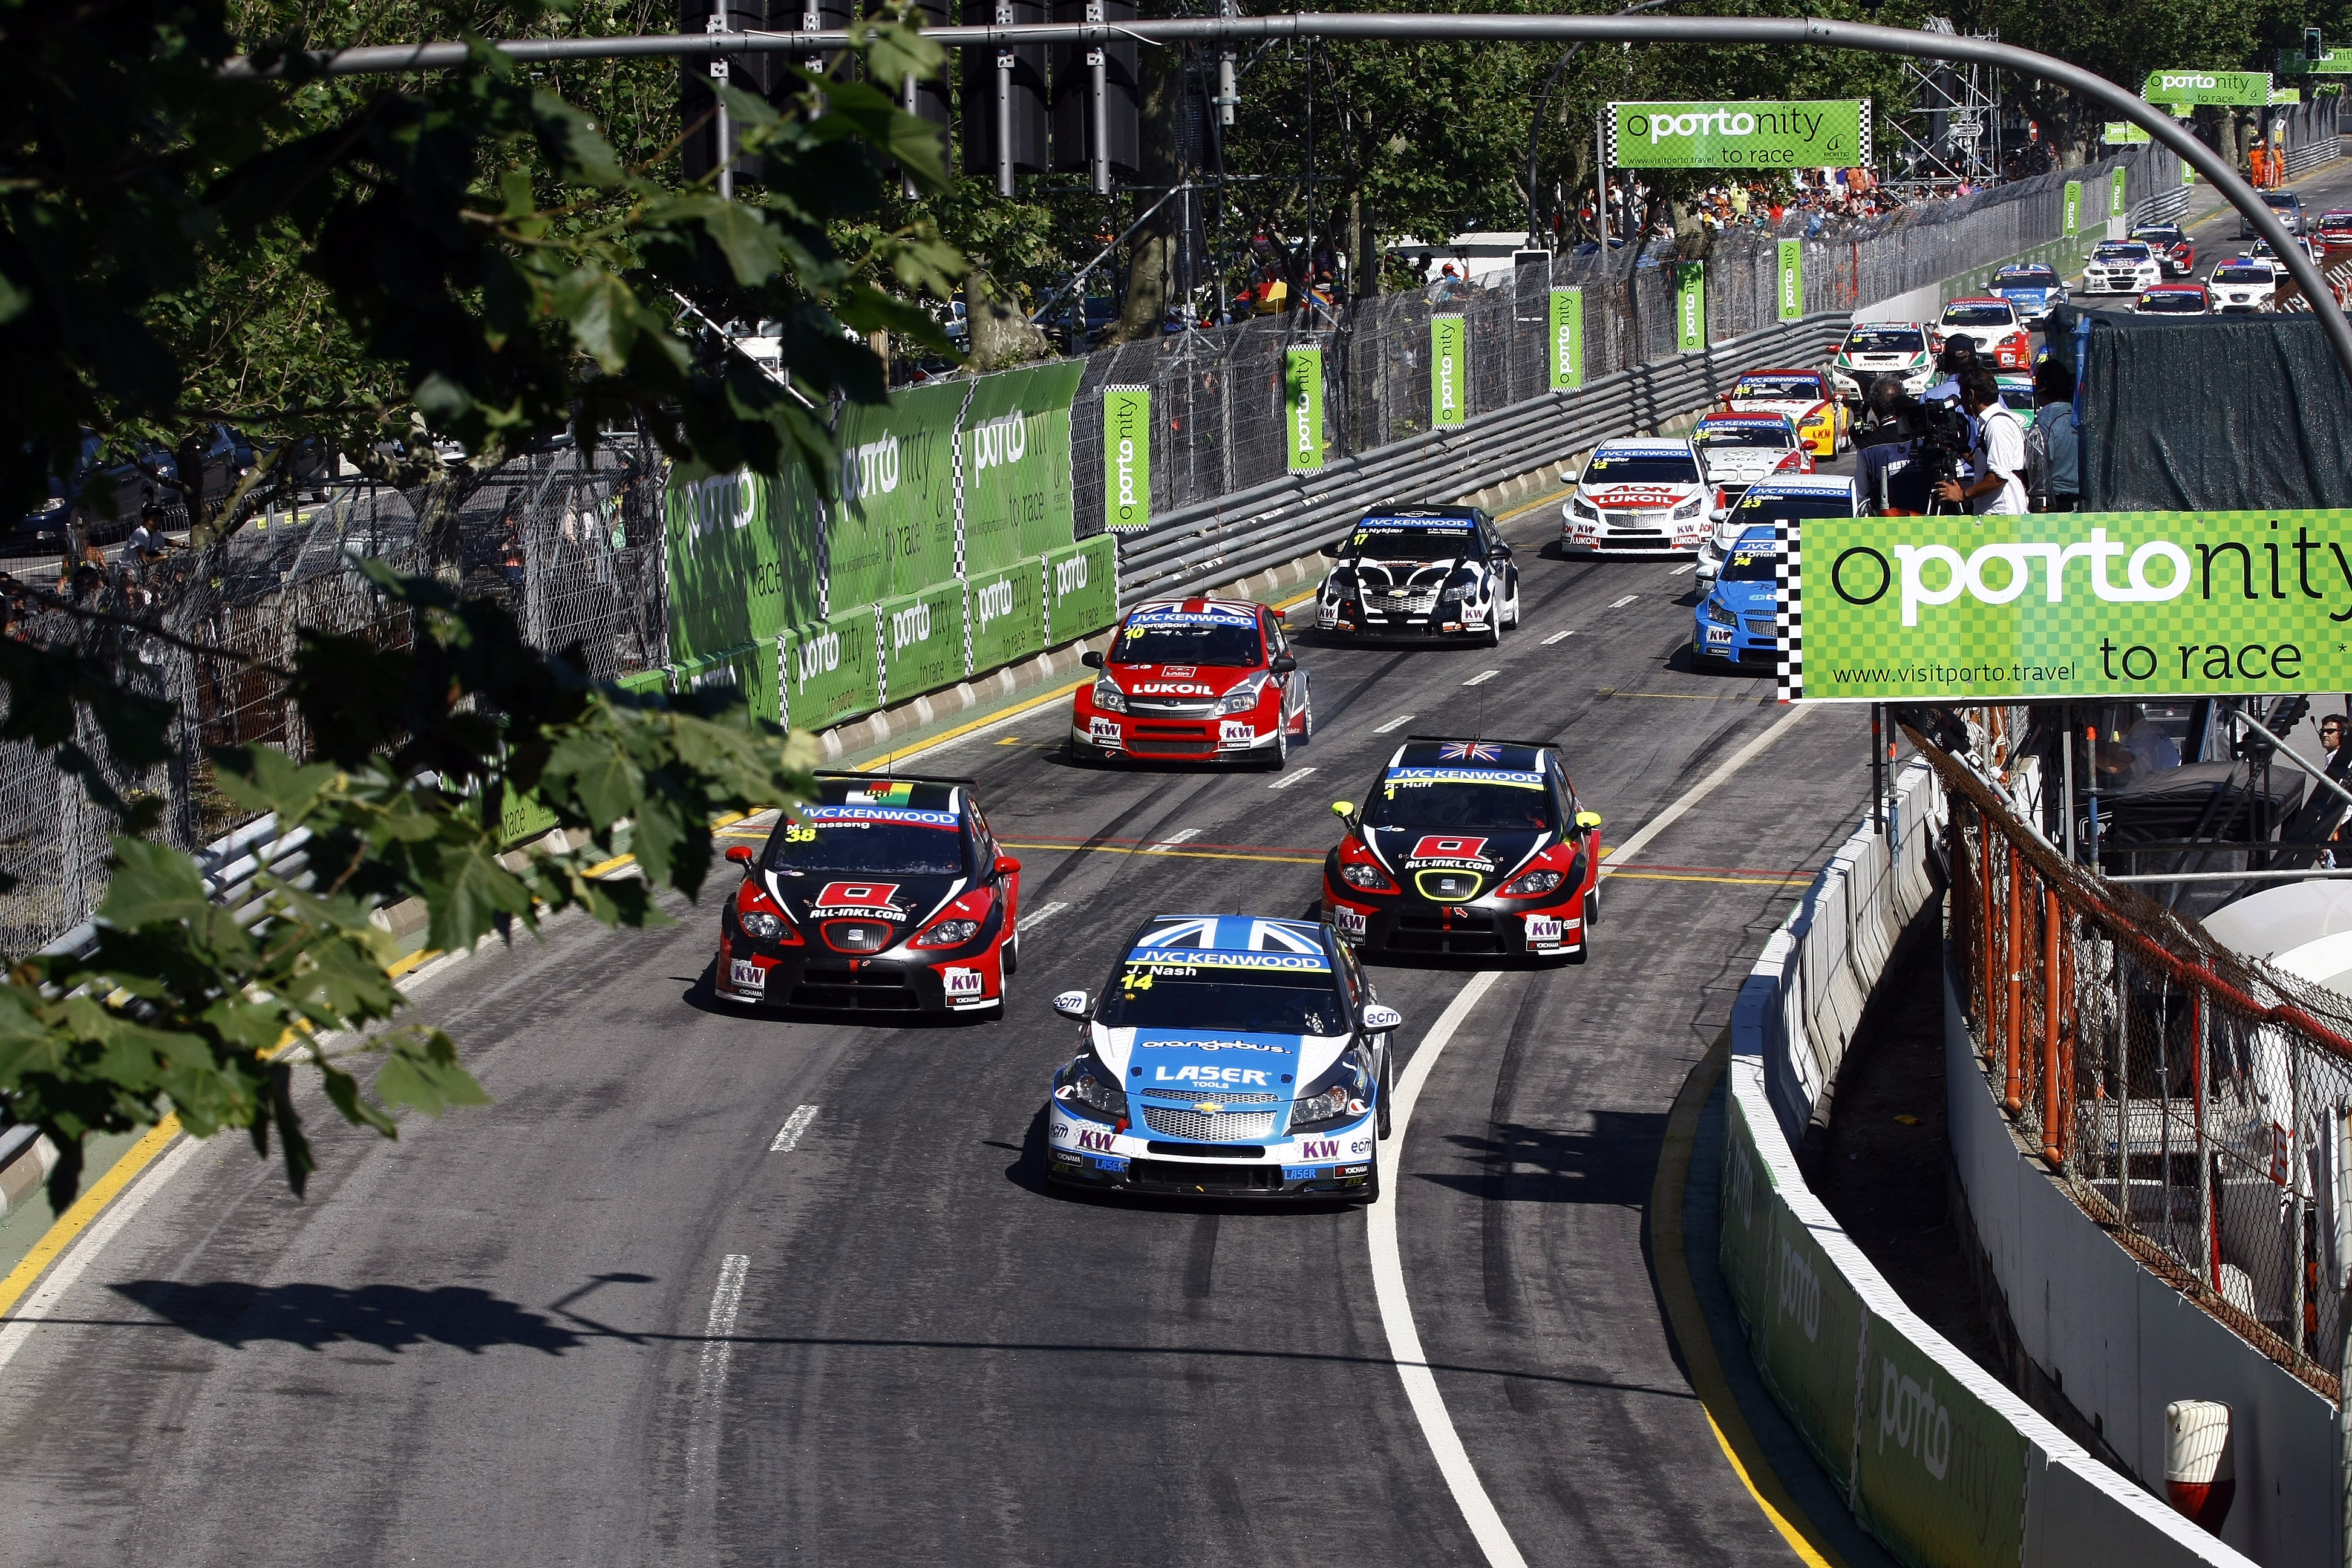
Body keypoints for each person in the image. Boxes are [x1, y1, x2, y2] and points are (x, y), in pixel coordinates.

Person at [1935, 366, 2028, 515]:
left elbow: (1999, 475)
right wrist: (1960, 447)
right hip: (1993, 512)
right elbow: (1987, 465)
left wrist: (1962, 495)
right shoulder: (1991, 423)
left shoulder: (1998, 424)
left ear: (1971, 395)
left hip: (2002, 513)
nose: (1961, 402)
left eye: (1962, 395)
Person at [2029, 356, 2079, 512]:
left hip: (2056, 505)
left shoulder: (2042, 424)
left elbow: (2037, 473)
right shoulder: (2083, 418)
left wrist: (2041, 508)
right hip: (2088, 503)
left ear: (2041, 390)